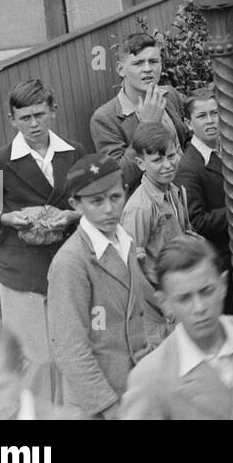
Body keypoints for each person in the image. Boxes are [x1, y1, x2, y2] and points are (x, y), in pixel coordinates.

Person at [0, 78, 80, 405]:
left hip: (68, 270)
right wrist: (6, 219)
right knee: (35, 361)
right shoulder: (0, 160)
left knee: (72, 358)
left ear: (53, 111)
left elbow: (91, 204)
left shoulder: (74, 153)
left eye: (39, 114)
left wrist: (71, 216)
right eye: (24, 118)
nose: (33, 124)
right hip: (22, 275)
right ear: (12, 119)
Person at [46, 154, 155, 418]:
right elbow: (70, 350)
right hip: (101, 403)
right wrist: (109, 408)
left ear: (125, 193)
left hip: (136, 389)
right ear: (76, 204)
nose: (108, 209)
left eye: (115, 197)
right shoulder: (71, 263)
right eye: (96, 201)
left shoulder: (123, 239)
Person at [120, 235, 233, 420]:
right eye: (184, 299)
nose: (199, 308)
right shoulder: (151, 377)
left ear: (223, 285)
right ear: (165, 303)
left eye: (207, 291)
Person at [121, 122, 195, 346]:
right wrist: (164, 307)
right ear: (141, 163)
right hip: (158, 313)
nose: (167, 165)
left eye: (171, 156)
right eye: (157, 160)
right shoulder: (140, 208)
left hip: (181, 295)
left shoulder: (174, 191)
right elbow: (130, 268)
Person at [90, 33, 191, 194]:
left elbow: (188, 142)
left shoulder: (170, 95)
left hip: (187, 195)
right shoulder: (105, 118)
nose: (147, 69)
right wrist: (146, 126)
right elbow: (118, 178)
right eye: (138, 63)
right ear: (120, 69)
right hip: (148, 209)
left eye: (153, 61)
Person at [175, 87, 233, 311]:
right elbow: (197, 220)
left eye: (215, 113)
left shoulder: (231, 150)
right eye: (201, 116)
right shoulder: (189, 167)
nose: (210, 121)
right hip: (220, 260)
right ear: (189, 123)